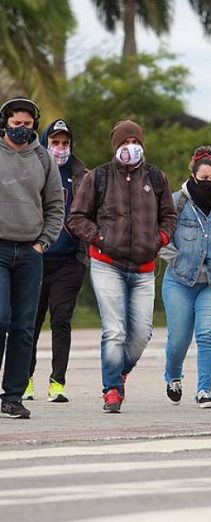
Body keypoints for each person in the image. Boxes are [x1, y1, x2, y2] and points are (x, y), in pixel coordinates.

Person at [67, 120, 177, 413]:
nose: (132, 147)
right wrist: (100, 237)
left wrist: (160, 238)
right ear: (116, 146)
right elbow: (76, 218)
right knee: (114, 330)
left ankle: (120, 370)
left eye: (136, 141)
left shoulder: (156, 178)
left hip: (143, 267)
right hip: (107, 264)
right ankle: (112, 389)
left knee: (141, 334)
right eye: (126, 141)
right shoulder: (98, 177)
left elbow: (170, 215)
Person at [160, 146, 211, 408]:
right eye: (204, 178)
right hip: (180, 281)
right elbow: (160, 235)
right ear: (194, 175)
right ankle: (173, 375)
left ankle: (204, 390)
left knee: (208, 333)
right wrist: (174, 259)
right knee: (179, 339)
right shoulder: (177, 201)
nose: (209, 183)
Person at [0, 97, 64, 419]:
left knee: (25, 327)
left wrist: (43, 242)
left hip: (30, 251)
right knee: (0, 318)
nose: (21, 129)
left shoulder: (44, 158)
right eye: (16, 124)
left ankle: (12, 396)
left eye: (27, 124)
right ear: (5, 124)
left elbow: (56, 204)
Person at [25, 119, 88, 403]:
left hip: (68, 262)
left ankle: (57, 382)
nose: (60, 148)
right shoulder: (30, 169)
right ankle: (23, 380)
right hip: (34, 260)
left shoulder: (81, 176)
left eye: (65, 143)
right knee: (30, 322)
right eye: (55, 143)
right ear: (45, 143)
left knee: (61, 321)